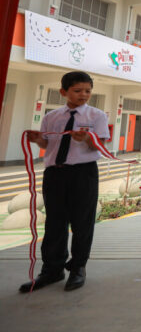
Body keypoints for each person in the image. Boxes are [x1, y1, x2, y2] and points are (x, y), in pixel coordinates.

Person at [19, 71, 109, 293]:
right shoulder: (52, 117)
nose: (83, 95)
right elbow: (46, 144)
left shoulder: (96, 116)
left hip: (83, 173)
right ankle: (52, 269)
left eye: (87, 91)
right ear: (64, 92)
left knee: (82, 223)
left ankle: (78, 268)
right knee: (55, 223)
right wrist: (37, 138)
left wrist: (88, 139)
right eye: (77, 91)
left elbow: (102, 145)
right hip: (55, 174)